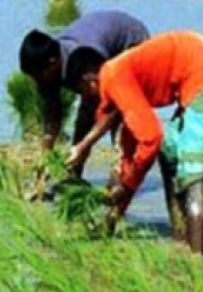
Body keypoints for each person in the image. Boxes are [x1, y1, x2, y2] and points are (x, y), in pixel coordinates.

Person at [64, 31, 203, 255]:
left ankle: (196, 260)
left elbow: (150, 138)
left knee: (192, 167)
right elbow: (129, 153)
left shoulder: (115, 78)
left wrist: (126, 186)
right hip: (193, 75)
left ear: (89, 81)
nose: (85, 100)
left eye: (82, 93)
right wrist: (113, 216)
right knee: (169, 153)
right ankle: (181, 240)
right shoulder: (118, 82)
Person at [18, 11, 150, 194]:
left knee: (120, 123)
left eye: (38, 76)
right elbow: (52, 115)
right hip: (100, 48)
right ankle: (74, 178)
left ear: (53, 63)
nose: (37, 82)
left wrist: (85, 144)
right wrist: (45, 160)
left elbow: (111, 109)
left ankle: (119, 184)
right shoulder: (46, 71)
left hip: (131, 43)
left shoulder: (84, 58)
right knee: (85, 118)